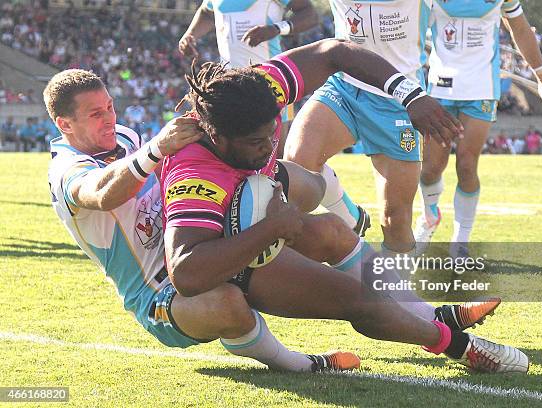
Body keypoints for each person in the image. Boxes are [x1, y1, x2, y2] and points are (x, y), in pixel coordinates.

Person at [161, 39, 528, 373]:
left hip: (256, 207)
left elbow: (335, 52)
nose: (269, 145)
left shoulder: (258, 89)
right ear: (218, 137)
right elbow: (187, 274)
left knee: (329, 220)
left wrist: (411, 95)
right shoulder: (195, 175)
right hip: (227, 259)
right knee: (358, 300)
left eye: (272, 131)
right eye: (257, 141)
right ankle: (457, 345)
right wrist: (272, 228)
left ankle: (423, 307)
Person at [45, 69, 359, 373]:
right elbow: (100, 194)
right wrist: (155, 149)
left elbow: (167, 174)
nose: (110, 118)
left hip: (198, 244)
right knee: (226, 303)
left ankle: (388, 285)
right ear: (64, 124)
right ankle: (300, 364)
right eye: (95, 113)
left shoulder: (124, 136)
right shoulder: (66, 170)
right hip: (158, 294)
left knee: (323, 228)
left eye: (110, 107)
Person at [284, 0, 463, 253]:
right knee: (297, 162)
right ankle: (351, 220)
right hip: (344, 85)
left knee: (395, 220)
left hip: (399, 101)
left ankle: (394, 290)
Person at [415, 0, 542, 257]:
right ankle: (429, 215)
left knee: (467, 164)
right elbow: (411, 31)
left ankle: (461, 240)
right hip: (440, 87)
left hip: (481, 88)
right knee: (430, 169)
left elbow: (521, 29)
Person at [178, 0, 319, 151]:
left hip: (271, 82)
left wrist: (277, 28)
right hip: (230, 85)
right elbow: (207, 12)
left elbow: (310, 15)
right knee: (232, 152)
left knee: (276, 153)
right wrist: (190, 34)